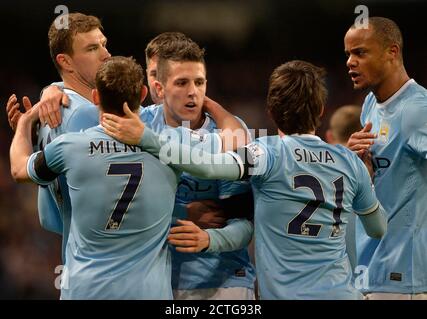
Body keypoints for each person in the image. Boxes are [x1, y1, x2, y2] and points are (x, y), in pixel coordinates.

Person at [109, 60, 388, 299]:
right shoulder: (350, 161)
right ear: (320, 111)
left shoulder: (266, 154)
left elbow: (206, 166)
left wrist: (148, 139)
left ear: (271, 111)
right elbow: (377, 229)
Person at [10, 56, 179, 299]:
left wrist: (25, 123)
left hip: (86, 291)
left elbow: (18, 170)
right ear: (143, 94)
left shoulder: (68, 147)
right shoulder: (171, 146)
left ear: (95, 97)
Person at [102, 35, 256, 300]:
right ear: (160, 89)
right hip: (157, 283)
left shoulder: (231, 133)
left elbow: (245, 222)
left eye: (199, 82)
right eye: (182, 83)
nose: (192, 92)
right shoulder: (138, 125)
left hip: (225, 281)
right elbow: (118, 208)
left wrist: (209, 240)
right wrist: (54, 91)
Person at [6, 12, 111, 260]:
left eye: (104, 45)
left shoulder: (49, 113)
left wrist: (53, 87)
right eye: (92, 48)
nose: (106, 55)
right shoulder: (86, 116)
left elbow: (48, 218)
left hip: (77, 264)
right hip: (111, 267)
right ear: (66, 62)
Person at [345, 17, 427, 299]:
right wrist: (355, 162)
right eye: (348, 54)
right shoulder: (370, 104)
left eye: (360, 52)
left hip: (404, 278)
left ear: (392, 52)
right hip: (371, 272)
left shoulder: (417, 110)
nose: (350, 62)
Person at [325, 104, 362, 272]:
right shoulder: (376, 170)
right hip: (375, 280)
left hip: (328, 281)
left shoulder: (315, 172)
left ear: (329, 136)